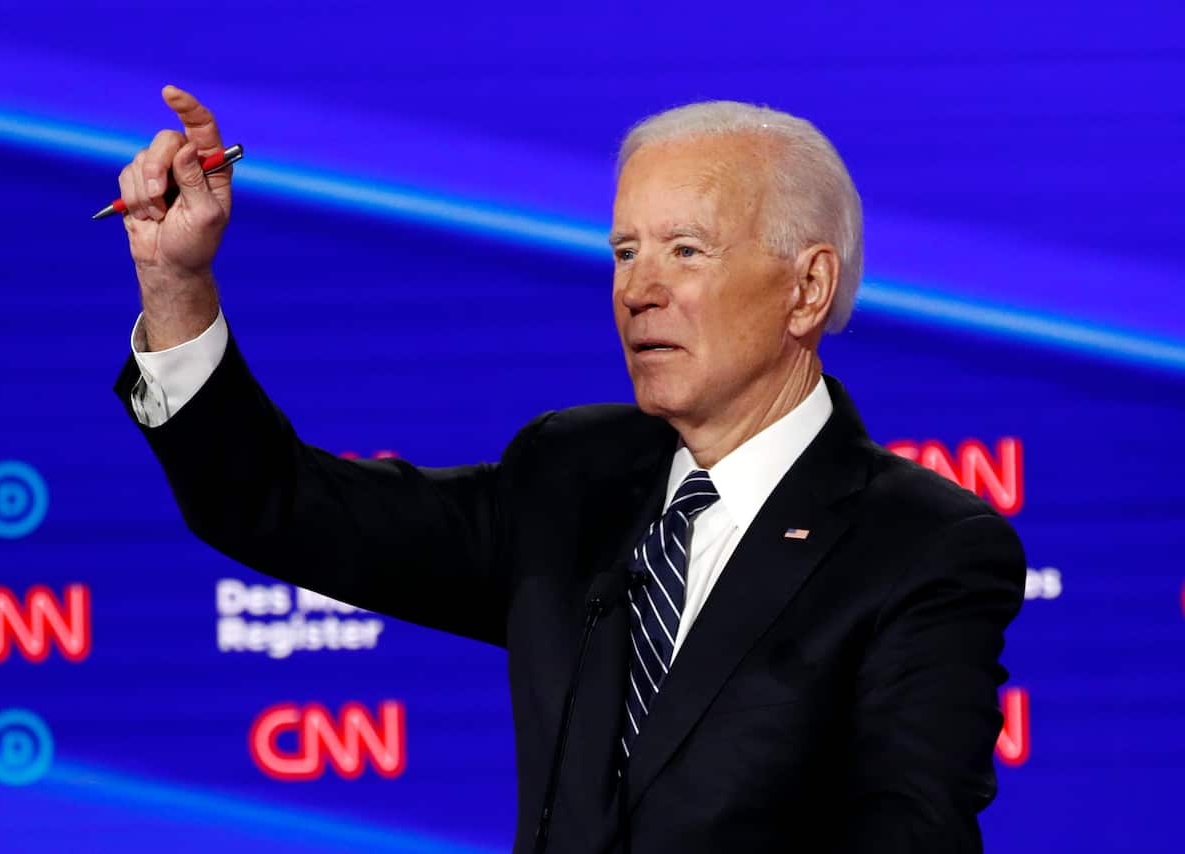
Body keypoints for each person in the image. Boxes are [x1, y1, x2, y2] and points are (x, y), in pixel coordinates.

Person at [113, 85, 1026, 853]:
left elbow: (911, 835)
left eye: (686, 251)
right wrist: (177, 287)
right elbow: (278, 503)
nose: (638, 288)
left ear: (808, 288)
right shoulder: (572, 477)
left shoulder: (921, 546)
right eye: (625, 252)